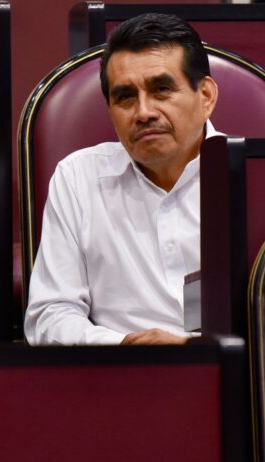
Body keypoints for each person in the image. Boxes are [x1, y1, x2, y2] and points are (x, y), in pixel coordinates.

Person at [25, 13, 219, 345]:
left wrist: (195, 349)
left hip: (234, 372)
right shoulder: (78, 178)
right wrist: (124, 347)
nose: (144, 112)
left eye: (161, 89)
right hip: (117, 370)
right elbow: (50, 315)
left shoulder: (254, 176)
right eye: (125, 96)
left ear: (205, 96)